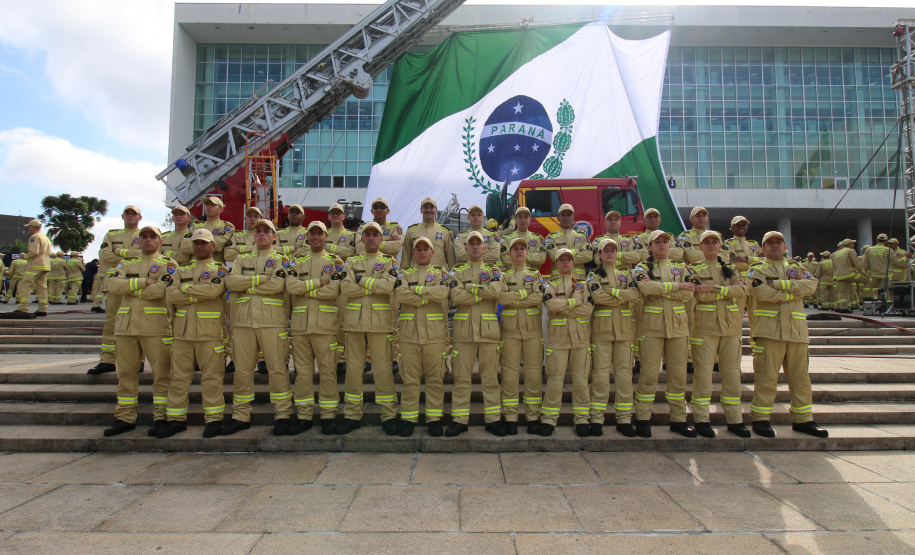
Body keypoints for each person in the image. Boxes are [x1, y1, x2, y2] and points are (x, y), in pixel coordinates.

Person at [748, 231, 827, 438]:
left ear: (785, 247)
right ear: (763, 248)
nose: (775, 246)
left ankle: (803, 420)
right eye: (770, 243)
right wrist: (794, 290)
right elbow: (761, 293)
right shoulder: (756, 269)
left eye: (778, 242)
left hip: (796, 331)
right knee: (766, 377)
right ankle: (760, 419)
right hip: (769, 332)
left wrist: (779, 285)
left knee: (801, 378)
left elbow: (811, 285)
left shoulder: (796, 267)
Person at [102, 225, 175, 437]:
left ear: (161, 242)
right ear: (138, 241)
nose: (148, 240)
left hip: (156, 327)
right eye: (143, 236)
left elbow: (160, 291)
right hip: (126, 326)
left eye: (153, 237)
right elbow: (112, 285)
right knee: (125, 374)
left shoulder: (169, 264)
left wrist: (131, 288)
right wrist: (143, 282)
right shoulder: (126, 262)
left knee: (162, 374)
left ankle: (161, 416)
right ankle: (124, 417)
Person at [222, 219, 293, 436]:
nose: (261, 234)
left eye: (266, 231)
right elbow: (231, 283)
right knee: (242, 371)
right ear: (253, 236)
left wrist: (247, 286)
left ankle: (283, 414)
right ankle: (240, 415)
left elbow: (278, 284)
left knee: (277, 369)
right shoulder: (241, 258)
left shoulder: (281, 259)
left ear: (274, 236)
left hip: (272, 322)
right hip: (243, 322)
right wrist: (261, 279)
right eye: (258, 231)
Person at [158, 228, 229, 439]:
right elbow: (170, 295)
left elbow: (213, 291)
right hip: (182, 333)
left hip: (210, 334)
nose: (200, 246)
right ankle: (176, 420)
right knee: (178, 378)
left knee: (212, 378)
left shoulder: (220, 269)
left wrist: (186, 290)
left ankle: (214, 419)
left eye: (204, 243)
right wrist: (197, 292)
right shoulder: (180, 269)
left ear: (212, 246)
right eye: (197, 243)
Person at [632, 230, 696, 438]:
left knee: (678, 375)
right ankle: (642, 418)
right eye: (657, 242)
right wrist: (677, 286)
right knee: (649, 375)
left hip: (678, 327)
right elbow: (646, 288)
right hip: (652, 328)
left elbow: (690, 292)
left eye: (665, 242)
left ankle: (678, 420)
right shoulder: (642, 267)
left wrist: (664, 289)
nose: (661, 245)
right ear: (649, 247)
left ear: (670, 246)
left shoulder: (681, 267)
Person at [688, 231, 750, 438]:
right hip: (705, 328)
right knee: (703, 375)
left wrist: (714, 288)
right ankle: (701, 419)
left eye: (715, 242)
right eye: (707, 242)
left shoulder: (730, 267)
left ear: (721, 245)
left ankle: (734, 420)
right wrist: (726, 290)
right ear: (701, 246)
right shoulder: (693, 269)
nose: (711, 245)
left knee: (732, 373)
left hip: (730, 328)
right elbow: (700, 294)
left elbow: (742, 291)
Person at [339, 221, 398, 435]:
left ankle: (389, 415)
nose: (371, 238)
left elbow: (387, 287)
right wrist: (373, 285)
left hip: (380, 324)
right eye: (368, 234)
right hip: (354, 323)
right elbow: (345, 288)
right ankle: (352, 415)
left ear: (382, 239)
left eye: (376, 234)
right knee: (353, 370)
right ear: (361, 239)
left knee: (383, 370)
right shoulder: (351, 261)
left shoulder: (390, 262)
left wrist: (361, 280)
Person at [285, 221, 344, 436]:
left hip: (326, 326)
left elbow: (335, 291)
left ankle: (328, 416)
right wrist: (318, 283)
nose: (316, 237)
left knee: (328, 372)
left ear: (326, 236)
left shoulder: (336, 262)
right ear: (307, 236)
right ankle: (304, 416)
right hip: (301, 326)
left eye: (320, 233)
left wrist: (305, 289)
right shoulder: (296, 261)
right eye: (313, 233)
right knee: (302, 373)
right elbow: (290, 287)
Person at [447, 231, 505, 437]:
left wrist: (470, 287)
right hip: (464, 333)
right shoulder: (456, 271)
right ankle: (459, 420)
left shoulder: (494, 270)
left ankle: (493, 420)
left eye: (477, 244)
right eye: (470, 244)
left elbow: (494, 292)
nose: (473, 247)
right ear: (465, 249)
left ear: (484, 248)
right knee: (461, 379)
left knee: (490, 379)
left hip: (489, 333)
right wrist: (482, 290)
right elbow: (457, 296)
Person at [395, 236, 451, 437]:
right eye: (417, 249)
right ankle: (409, 418)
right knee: (409, 380)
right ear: (412, 253)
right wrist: (428, 295)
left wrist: (416, 291)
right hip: (409, 336)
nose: (421, 252)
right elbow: (401, 295)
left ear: (432, 252)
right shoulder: (404, 273)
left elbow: (442, 292)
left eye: (425, 249)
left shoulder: (441, 273)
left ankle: (434, 419)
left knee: (435, 379)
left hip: (434, 336)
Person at [587, 238, 639, 437]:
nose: (609, 253)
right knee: (600, 376)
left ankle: (624, 420)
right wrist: (621, 295)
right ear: (598, 254)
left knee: (624, 377)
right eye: (605, 250)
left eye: (612, 250)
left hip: (624, 332)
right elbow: (598, 298)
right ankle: (596, 419)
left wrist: (612, 291)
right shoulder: (593, 276)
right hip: (601, 332)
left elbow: (634, 294)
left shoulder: (626, 275)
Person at [541, 248, 593, 436]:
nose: (565, 263)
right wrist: (574, 303)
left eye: (568, 259)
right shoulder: (550, 285)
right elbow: (551, 306)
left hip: (580, 338)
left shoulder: (584, 286)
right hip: (558, 339)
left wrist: (563, 307)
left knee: (580, 380)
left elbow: (588, 309)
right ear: (556, 264)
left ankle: (582, 419)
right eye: (561, 260)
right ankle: (548, 419)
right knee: (555, 379)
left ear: (573, 263)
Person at [497, 236, 546, 435]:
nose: (518, 251)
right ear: (508, 254)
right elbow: (500, 297)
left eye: (522, 248)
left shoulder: (536, 275)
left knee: (533, 374)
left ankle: (533, 415)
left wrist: (514, 298)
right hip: (509, 331)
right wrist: (526, 295)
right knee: (509, 374)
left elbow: (539, 296)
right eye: (514, 248)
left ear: (527, 253)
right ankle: (510, 416)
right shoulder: (501, 276)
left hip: (533, 331)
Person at [87, 206, 142, 374]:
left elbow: (146, 254)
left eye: (134, 214)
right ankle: (107, 359)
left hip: (136, 283)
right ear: (122, 215)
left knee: (136, 322)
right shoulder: (112, 234)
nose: (130, 216)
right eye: (128, 213)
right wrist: (131, 254)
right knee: (112, 322)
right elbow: (105, 256)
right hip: (114, 284)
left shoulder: (146, 234)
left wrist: (119, 251)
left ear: (140, 217)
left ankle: (137, 360)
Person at [324, 203, 357, 374]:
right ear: (328, 216)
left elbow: (351, 252)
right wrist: (339, 251)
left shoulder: (351, 235)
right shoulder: (320, 232)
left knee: (343, 322)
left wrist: (326, 247)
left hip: (344, 283)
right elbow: (309, 249)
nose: (336, 215)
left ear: (344, 216)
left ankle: (342, 358)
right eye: (332, 213)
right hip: (324, 282)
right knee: (327, 323)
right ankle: (330, 358)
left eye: (339, 213)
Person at [401, 197, 456, 269]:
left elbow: (451, 258)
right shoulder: (411, 231)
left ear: (436, 210)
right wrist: (403, 276)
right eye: (425, 207)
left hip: (439, 276)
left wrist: (452, 277)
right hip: (416, 275)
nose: (428, 210)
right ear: (421, 210)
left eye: (431, 207)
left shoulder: (445, 231)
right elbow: (406, 257)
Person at [724, 215, 762, 320]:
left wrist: (746, 259)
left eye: (744, 225)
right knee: (736, 316)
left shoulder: (753, 244)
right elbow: (729, 262)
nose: (742, 227)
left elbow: (765, 260)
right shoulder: (727, 244)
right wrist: (755, 260)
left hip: (755, 282)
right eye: (738, 225)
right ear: (732, 228)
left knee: (757, 317)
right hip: (738, 282)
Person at [12, 220, 52, 317]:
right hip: (45, 264)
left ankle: (23, 307)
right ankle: (42, 309)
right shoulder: (46, 238)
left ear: (33, 227)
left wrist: (25, 257)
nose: (29, 229)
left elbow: (34, 252)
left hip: (35, 264)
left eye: (29, 227)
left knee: (26, 285)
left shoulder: (34, 237)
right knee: (42, 287)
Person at [545, 204, 592, 279]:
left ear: (573, 217)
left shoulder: (582, 237)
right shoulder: (551, 237)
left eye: (569, 215)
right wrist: (576, 251)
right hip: (558, 280)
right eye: (563, 215)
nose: (566, 218)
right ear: (558, 218)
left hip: (579, 280)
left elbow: (588, 256)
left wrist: (563, 258)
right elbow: (554, 257)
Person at [500, 206, 546, 271]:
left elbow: (541, 258)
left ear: (530, 219)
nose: (523, 220)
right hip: (512, 278)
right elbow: (505, 260)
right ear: (515, 220)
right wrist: (530, 257)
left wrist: (520, 256)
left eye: (526, 217)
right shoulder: (506, 238)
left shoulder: (538, 238)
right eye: (520, 217)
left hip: (532, 277)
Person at [863, 233, 907, 300]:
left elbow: (865, 264)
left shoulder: (869, 250)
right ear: (886, 241)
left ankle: (877, 298)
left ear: (877, 240)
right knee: (886, 291)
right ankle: (885, 306)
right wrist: (905, 258)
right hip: (886, 275)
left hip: (874, 274)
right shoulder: (888, 250)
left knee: (874, 290)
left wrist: (867, 273)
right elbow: (896, 262)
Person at [194, 196, 235, 263]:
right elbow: (185, 247)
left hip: (215, 267)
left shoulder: (226, 226)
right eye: (207, 205)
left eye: (212, 205)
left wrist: (196, 246)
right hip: (195, 266)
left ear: (221, 209)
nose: (208, 207)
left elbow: (217, 246)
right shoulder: (196, 226)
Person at [832, 238, 862, 313]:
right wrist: (863, 272)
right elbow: (856, 263)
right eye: (852, 243)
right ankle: (868, 298)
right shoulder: (850, 251)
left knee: (841, 292)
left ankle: (840, 306)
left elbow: (834, 266)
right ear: (848, 244)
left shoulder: (835, 254)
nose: (853, 245)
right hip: (849, 274)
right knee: (868, 281)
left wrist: (835, 276)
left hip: (838, 275)